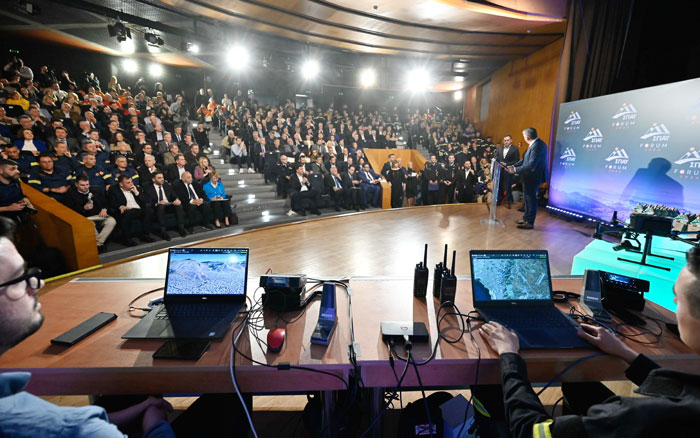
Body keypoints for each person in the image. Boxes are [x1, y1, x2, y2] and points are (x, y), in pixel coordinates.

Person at [479, 246, 700, 437]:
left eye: (678, 298)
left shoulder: (634, 417)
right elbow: (680, 390)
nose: (674, 301)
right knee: (580, 385)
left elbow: (531, 431)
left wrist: (509, 356)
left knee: (486, 387)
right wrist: (625, 352)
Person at [507, 128, 547, 229]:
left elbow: (531, 165)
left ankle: (529, 222)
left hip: (533, 176)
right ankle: (526, 218)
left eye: (524, 136)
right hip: (528, 176)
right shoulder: (533, 144)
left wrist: (515, 170)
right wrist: (513, 166)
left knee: (531, 199)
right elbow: (524, 160)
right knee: (527, 198)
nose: (524, 138)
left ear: (527, 137)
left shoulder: (538, 146)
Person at [62, 175, 116, 251]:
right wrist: (83, 208)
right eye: (82, 185)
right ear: (76, 184)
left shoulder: (96, 190)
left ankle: (97, 244)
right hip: (84, 218)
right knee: (90, 224)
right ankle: (99, 245)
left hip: (98, 216)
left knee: (112, 221)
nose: (86, 187)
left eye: (87, 184)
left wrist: (104, 209)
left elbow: (106, 202)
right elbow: (70, 211)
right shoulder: (70, 195)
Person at [107, 175, 156, 246]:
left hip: (137, 209)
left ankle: (145, 236)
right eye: (128, 182)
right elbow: (112, 203)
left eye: (131, 182)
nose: (131, 184)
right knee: (127, 213)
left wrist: (136, 192)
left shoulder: (136, 188)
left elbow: (147, 200)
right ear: (121, 184)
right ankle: (127, 239)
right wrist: (121, 206)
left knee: (149, 210)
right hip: (126, 210)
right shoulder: (114, 190)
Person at [142, 171, 188, 240]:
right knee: (161, 206)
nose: (162, 179)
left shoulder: (166, 185)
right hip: (157, 206)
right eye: (159, 178)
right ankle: (163, 231)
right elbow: (148, 202)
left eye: (162, 177)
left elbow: (173, 195)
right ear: (153, 179)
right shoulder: (148, 188)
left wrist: (176, 199)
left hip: (168, 204)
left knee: (178, 205)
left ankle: (181, 228)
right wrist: (158, 203)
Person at [496, 135, 519, 208]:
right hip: (500, 170)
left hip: (508, 170)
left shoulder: (515, 149)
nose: (506, 142)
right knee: (499, 185)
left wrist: (507, 164)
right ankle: (498, 200)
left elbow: (517, 160)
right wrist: (499, 162)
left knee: (508, 186)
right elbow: (496, 157)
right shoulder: (500, 149)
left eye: (508, 140)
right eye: (505, 140)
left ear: (511, 140)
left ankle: (508, 202)